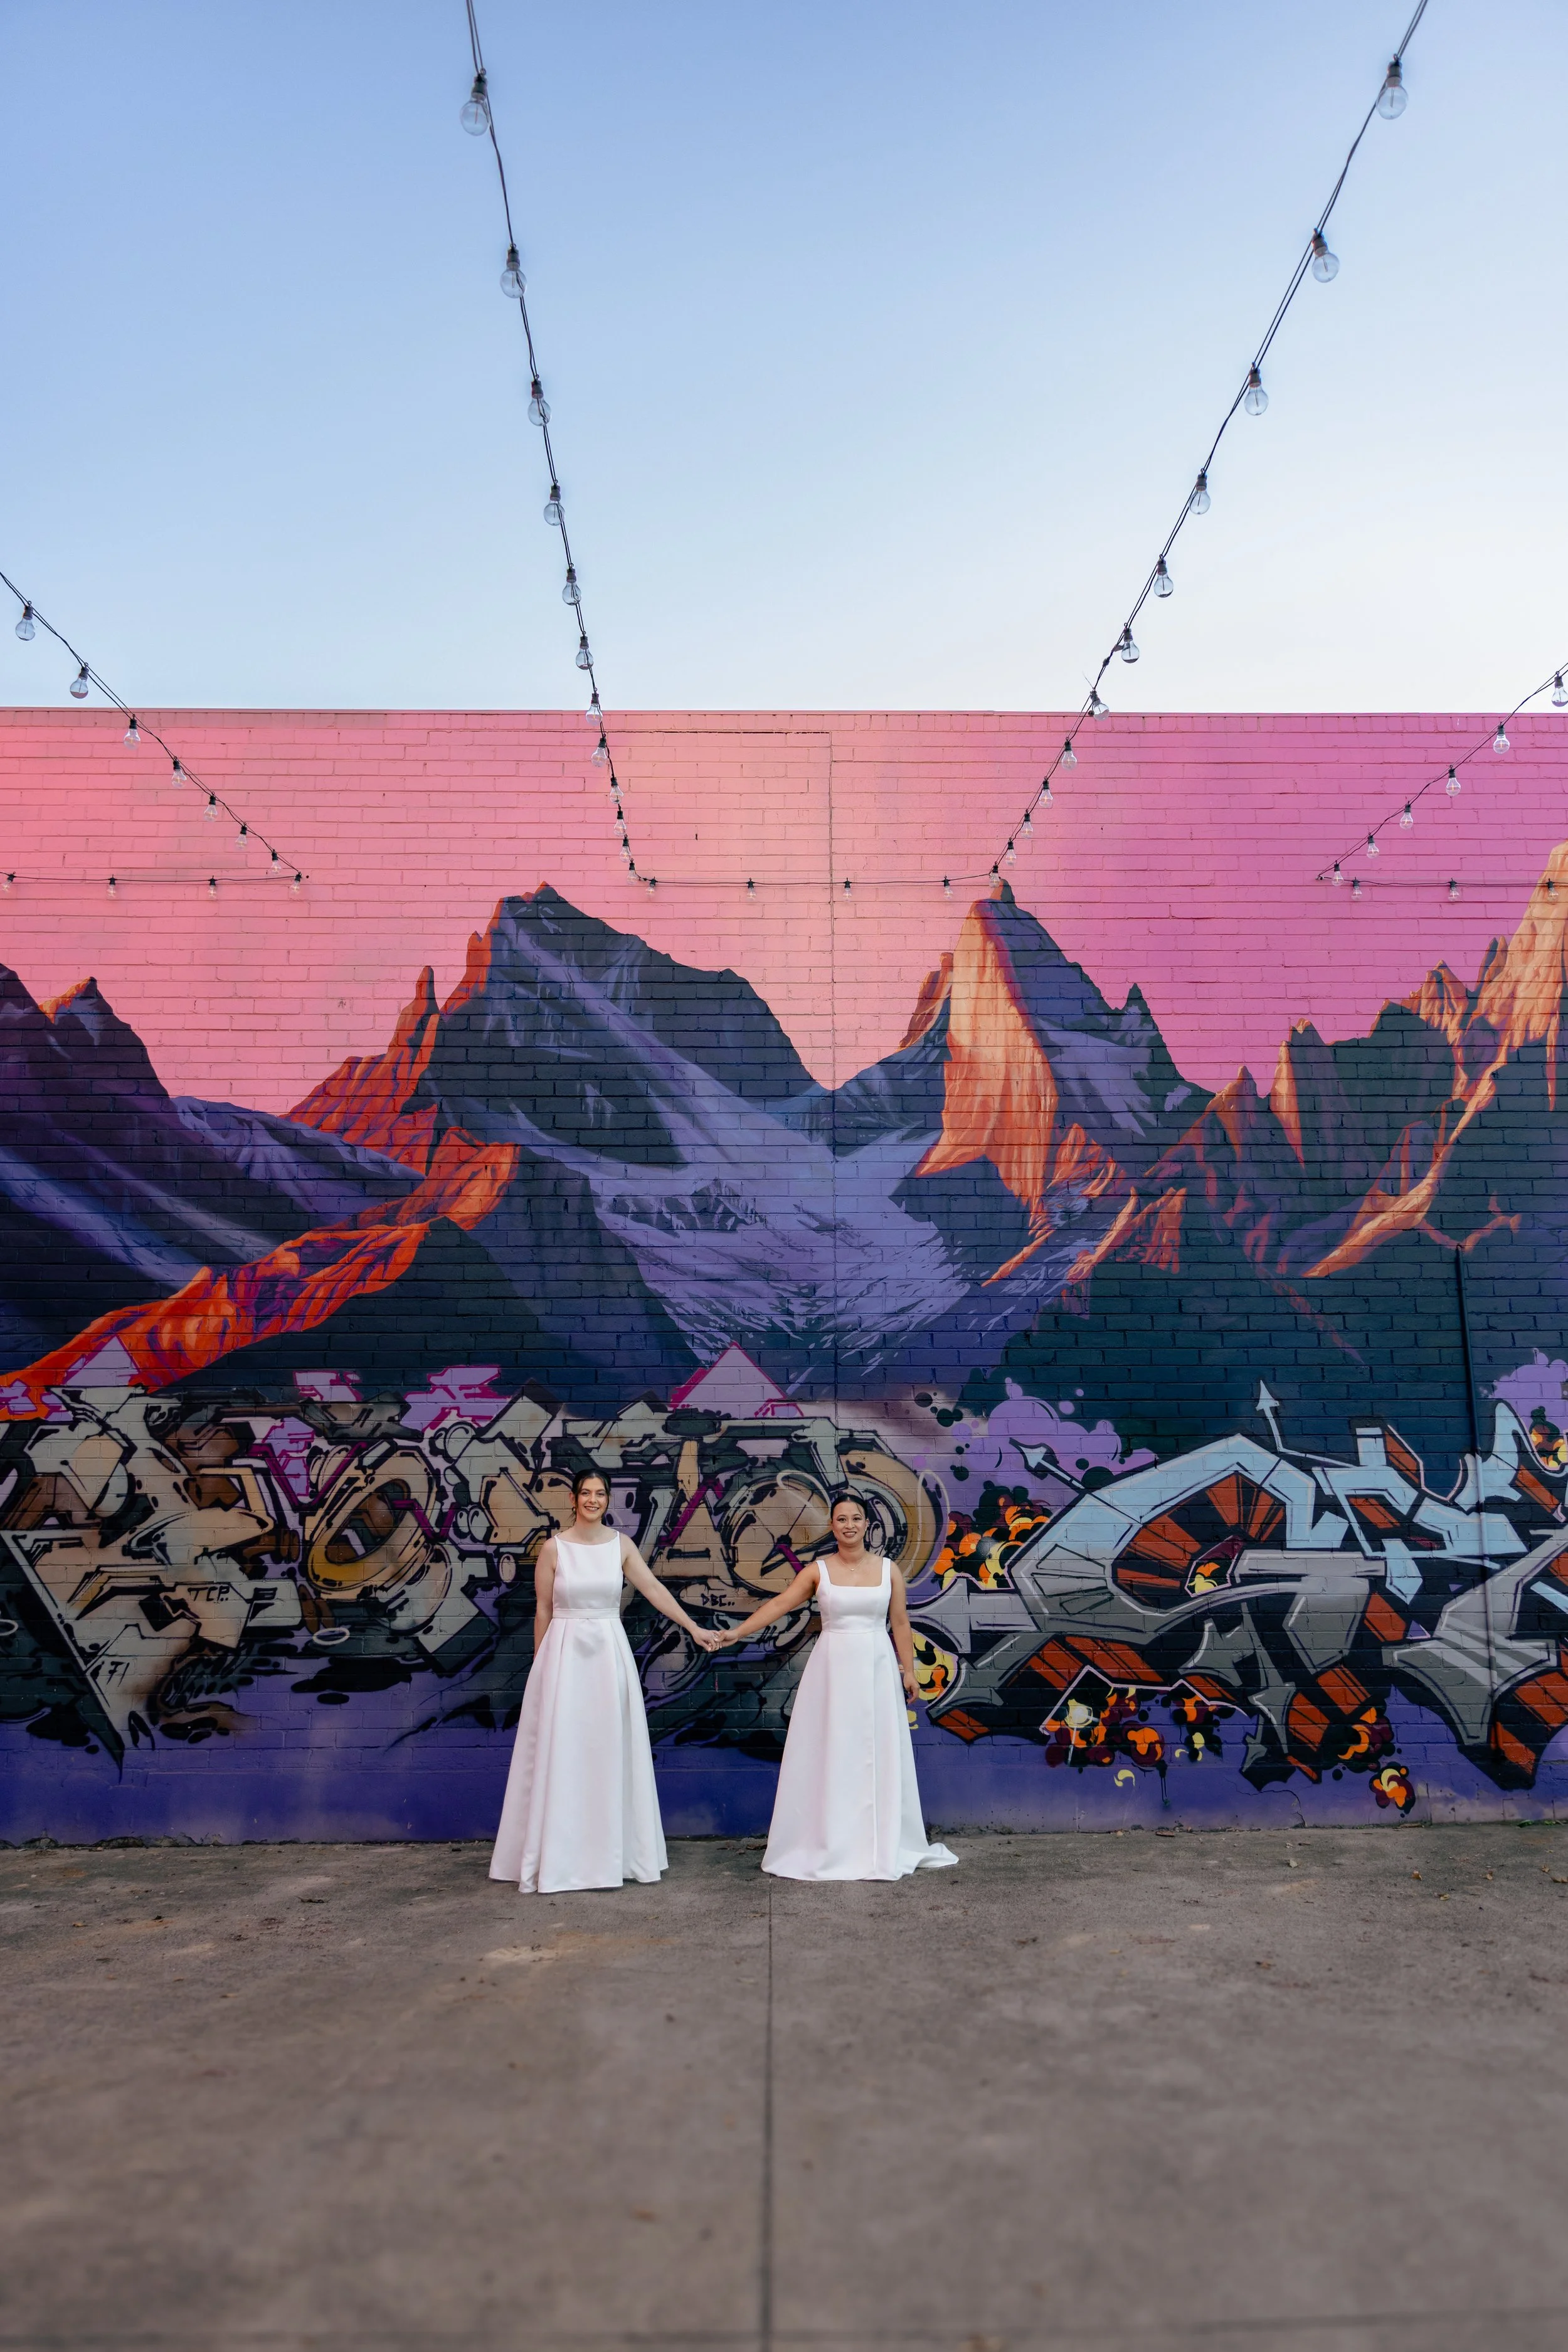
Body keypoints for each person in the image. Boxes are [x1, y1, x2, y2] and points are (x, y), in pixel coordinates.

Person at [489, 1467, 722, 1894]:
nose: (593, 1500)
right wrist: (542, 1667)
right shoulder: (553, 1549)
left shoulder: (622, 1546)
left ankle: (609, 1854)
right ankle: (560, 1856)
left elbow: (654, 1590)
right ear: (574, 1500)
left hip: (607, 1656)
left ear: (606, 1499)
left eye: (600, 1494)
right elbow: (542, 1610)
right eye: (586, 1493)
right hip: (564, 1655)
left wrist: (693, 1627)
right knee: (565, 1752)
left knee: (606, 1751)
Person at [716, 1488, 958, 1882]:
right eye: (842, 1519)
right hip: (832, 1671)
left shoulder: (888, 1569)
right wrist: (737, 1633)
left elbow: (900, 1622)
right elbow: (780, 1605)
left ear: (867, 1525)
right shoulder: (817, 1571)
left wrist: (908, 1670)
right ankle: (832, 1840)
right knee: (833, 1751)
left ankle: (877, 1842)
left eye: (856, 1519)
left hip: (878, 1668)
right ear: (833, 1525)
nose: (849, 1526)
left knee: (874, 1751)